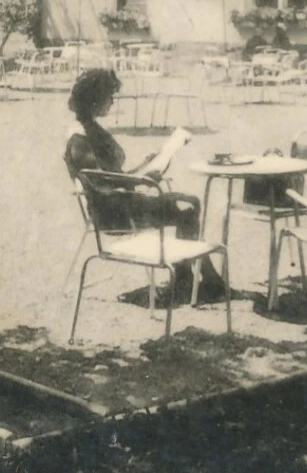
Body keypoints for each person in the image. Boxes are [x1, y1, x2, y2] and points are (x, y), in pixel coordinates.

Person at [63, 69, 225, 301]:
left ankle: (195, 278)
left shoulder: (88, 129)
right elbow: (100, 183)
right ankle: (193, 279)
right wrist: (142, 179)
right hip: (113, 212)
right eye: (109, 96)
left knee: (187, 204)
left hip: (120, 203)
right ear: (94, 99)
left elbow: (111, 177)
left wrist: (144, 167)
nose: (112, 101)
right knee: (187, 208)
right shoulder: (80, 138)